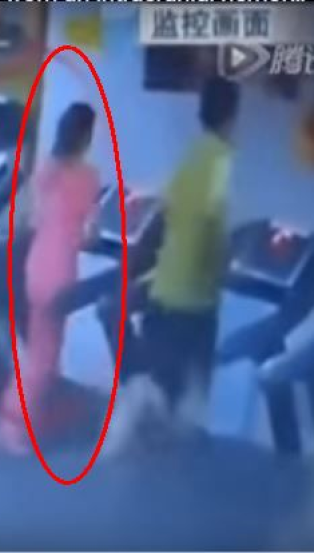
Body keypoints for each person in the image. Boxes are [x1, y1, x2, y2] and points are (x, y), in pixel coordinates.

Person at [104, 77, 240, 455]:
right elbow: (211, 224)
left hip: (167, 283)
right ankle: (148, 412)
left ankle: (152, 416)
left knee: (171, 372)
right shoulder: (221, 159)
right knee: (187, 376)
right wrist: (222, 265)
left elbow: (168, 214)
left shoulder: (191, 155)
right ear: (232, 115)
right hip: (195, 292)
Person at [0, 103, 101, 455]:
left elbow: (34, 220)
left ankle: (27, 421)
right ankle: (12, 425)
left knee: (41, 350)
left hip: (36, 263)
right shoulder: (88, 178)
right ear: (86, 136)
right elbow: (88, 236)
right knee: (44, 356)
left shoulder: (44, 170)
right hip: (60, 269)